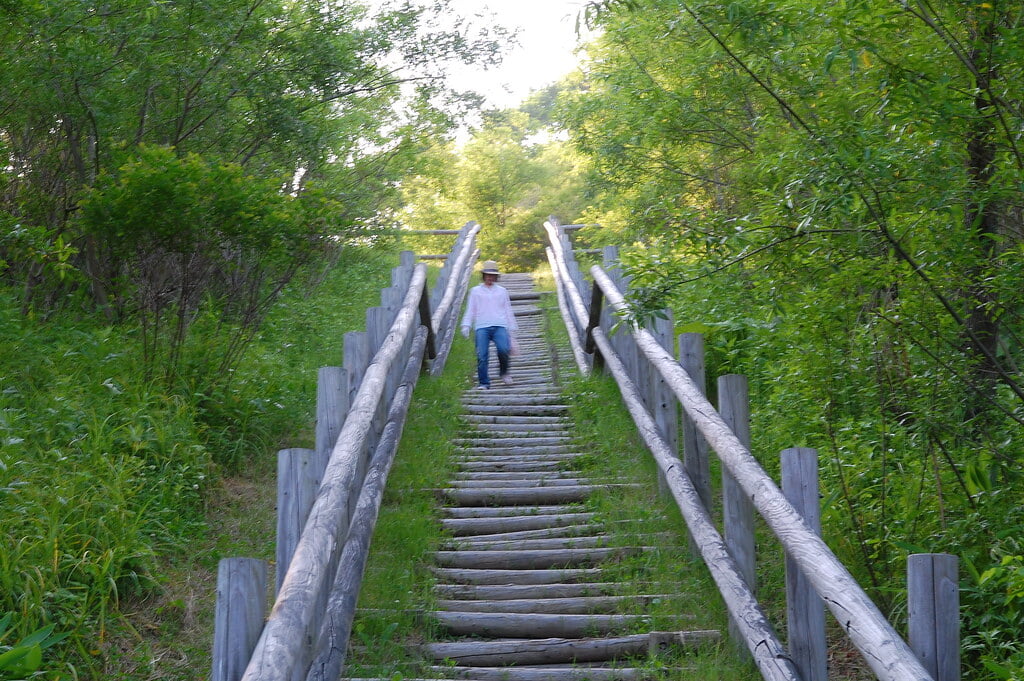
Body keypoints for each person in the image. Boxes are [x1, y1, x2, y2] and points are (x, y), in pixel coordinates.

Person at [461, 260, 518, 389]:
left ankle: (504, 372)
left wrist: (512, 327)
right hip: (482, 326)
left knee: (503, 349)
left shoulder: (502, 291)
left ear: (496, 277)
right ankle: (484, 382)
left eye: (492, 275)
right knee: (482, 355)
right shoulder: (475, 291)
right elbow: (471, 309)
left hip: (500, 325)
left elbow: (507, 309)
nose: (490, 278)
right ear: (483, 275)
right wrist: (466, 325)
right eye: (487, 275)